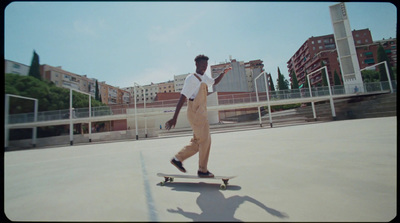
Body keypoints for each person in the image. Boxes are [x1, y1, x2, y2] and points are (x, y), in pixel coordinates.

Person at [165, 54, 231, 178]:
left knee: (198, 142)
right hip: (196, 112)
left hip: (201, 113)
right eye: (202, 65)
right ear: (196, 64)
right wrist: (175, 117)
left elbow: (214, 81)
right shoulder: (191, 79)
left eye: (205, 66)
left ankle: (177, 159)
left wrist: (223, 73)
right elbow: (182, 98)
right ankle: (202, 170)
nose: (204, 68)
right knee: (205, 140)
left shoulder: (204, 77)